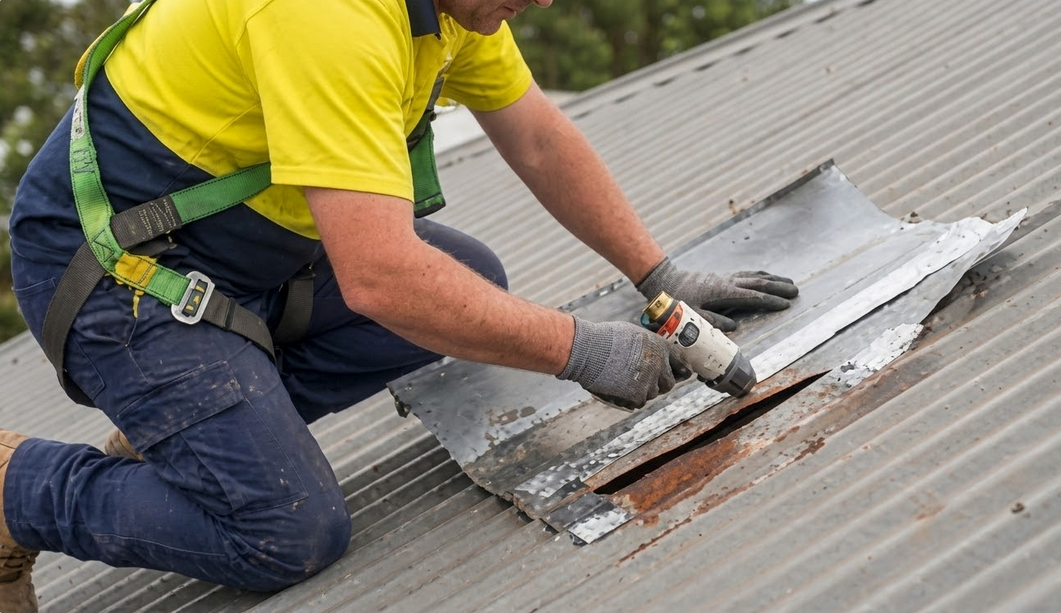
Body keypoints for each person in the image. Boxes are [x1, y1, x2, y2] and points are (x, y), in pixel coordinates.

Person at [1, 0, 798, 610]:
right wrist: (585, 349)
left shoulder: (456, 8)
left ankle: (185, 423)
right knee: (287, 533)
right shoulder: (330, 19)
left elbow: (538, 138)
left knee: (468, 281)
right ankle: (17, 486)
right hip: (121, 267)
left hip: (243, 255)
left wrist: (658, 275)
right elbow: (381, 277)